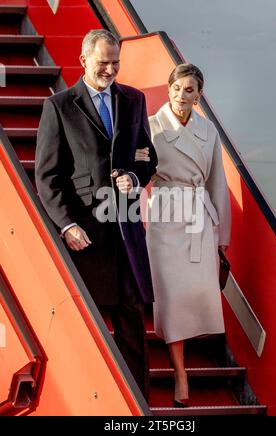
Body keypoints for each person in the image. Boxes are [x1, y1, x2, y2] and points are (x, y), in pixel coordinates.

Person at [35, 29, 157, 398]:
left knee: (133, 322)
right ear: (84, 59)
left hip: (126, 233)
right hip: (85, 235)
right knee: (84, 324)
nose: (110, 69)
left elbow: (147, 155)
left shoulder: (133, 100)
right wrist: (67, 224)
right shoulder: (58, 106)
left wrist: (135, 177)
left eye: (115, 62)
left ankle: (139, 406)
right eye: (104, 62)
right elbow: (47, 176)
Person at [135, 64, 231, 407]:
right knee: (172, 300)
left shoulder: (208, 131)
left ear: (199, 95)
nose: (181, 96)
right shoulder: (150, 124)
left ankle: (183, 365)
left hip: (198, 219)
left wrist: (222, 235)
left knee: (194, 295)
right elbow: (136, 171)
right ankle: (180, 373)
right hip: (165, 216)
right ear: (169, 88)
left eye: (189, 90)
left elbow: (217, 182)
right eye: (176, 88)